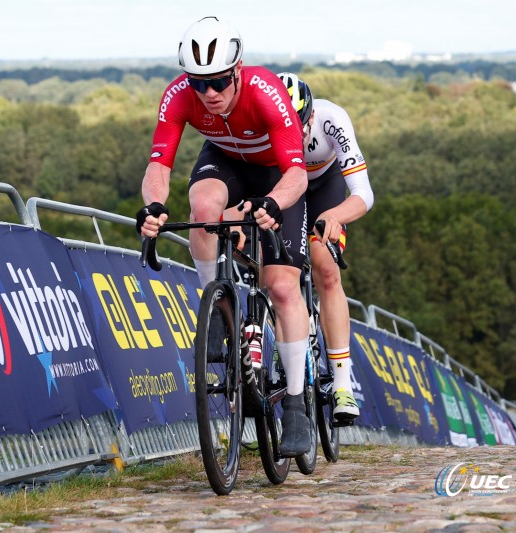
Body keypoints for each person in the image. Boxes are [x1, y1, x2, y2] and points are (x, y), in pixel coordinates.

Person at [135, 16, 312, 456]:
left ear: (236, 71)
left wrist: (273, 203)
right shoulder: (179, 96)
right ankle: (216, 307)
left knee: (283, 287)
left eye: (217, 82)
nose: (209, 94)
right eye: (199, 84)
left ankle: (294, 404)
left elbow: (296, 172)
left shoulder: (265, 92)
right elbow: (159, 165)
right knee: (202, 208)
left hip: (276, 170)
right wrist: (154, 207)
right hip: (226, 159)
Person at [277, 72, 375, 422]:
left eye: (300, 124)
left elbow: (364, 193)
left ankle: (343, 384)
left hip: (326, 189)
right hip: (285, 188)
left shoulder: (332, 119)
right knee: (278, 268)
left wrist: (335, 215)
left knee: (326, 268)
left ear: (311, 115)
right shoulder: (263, 126)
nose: (296, 134)